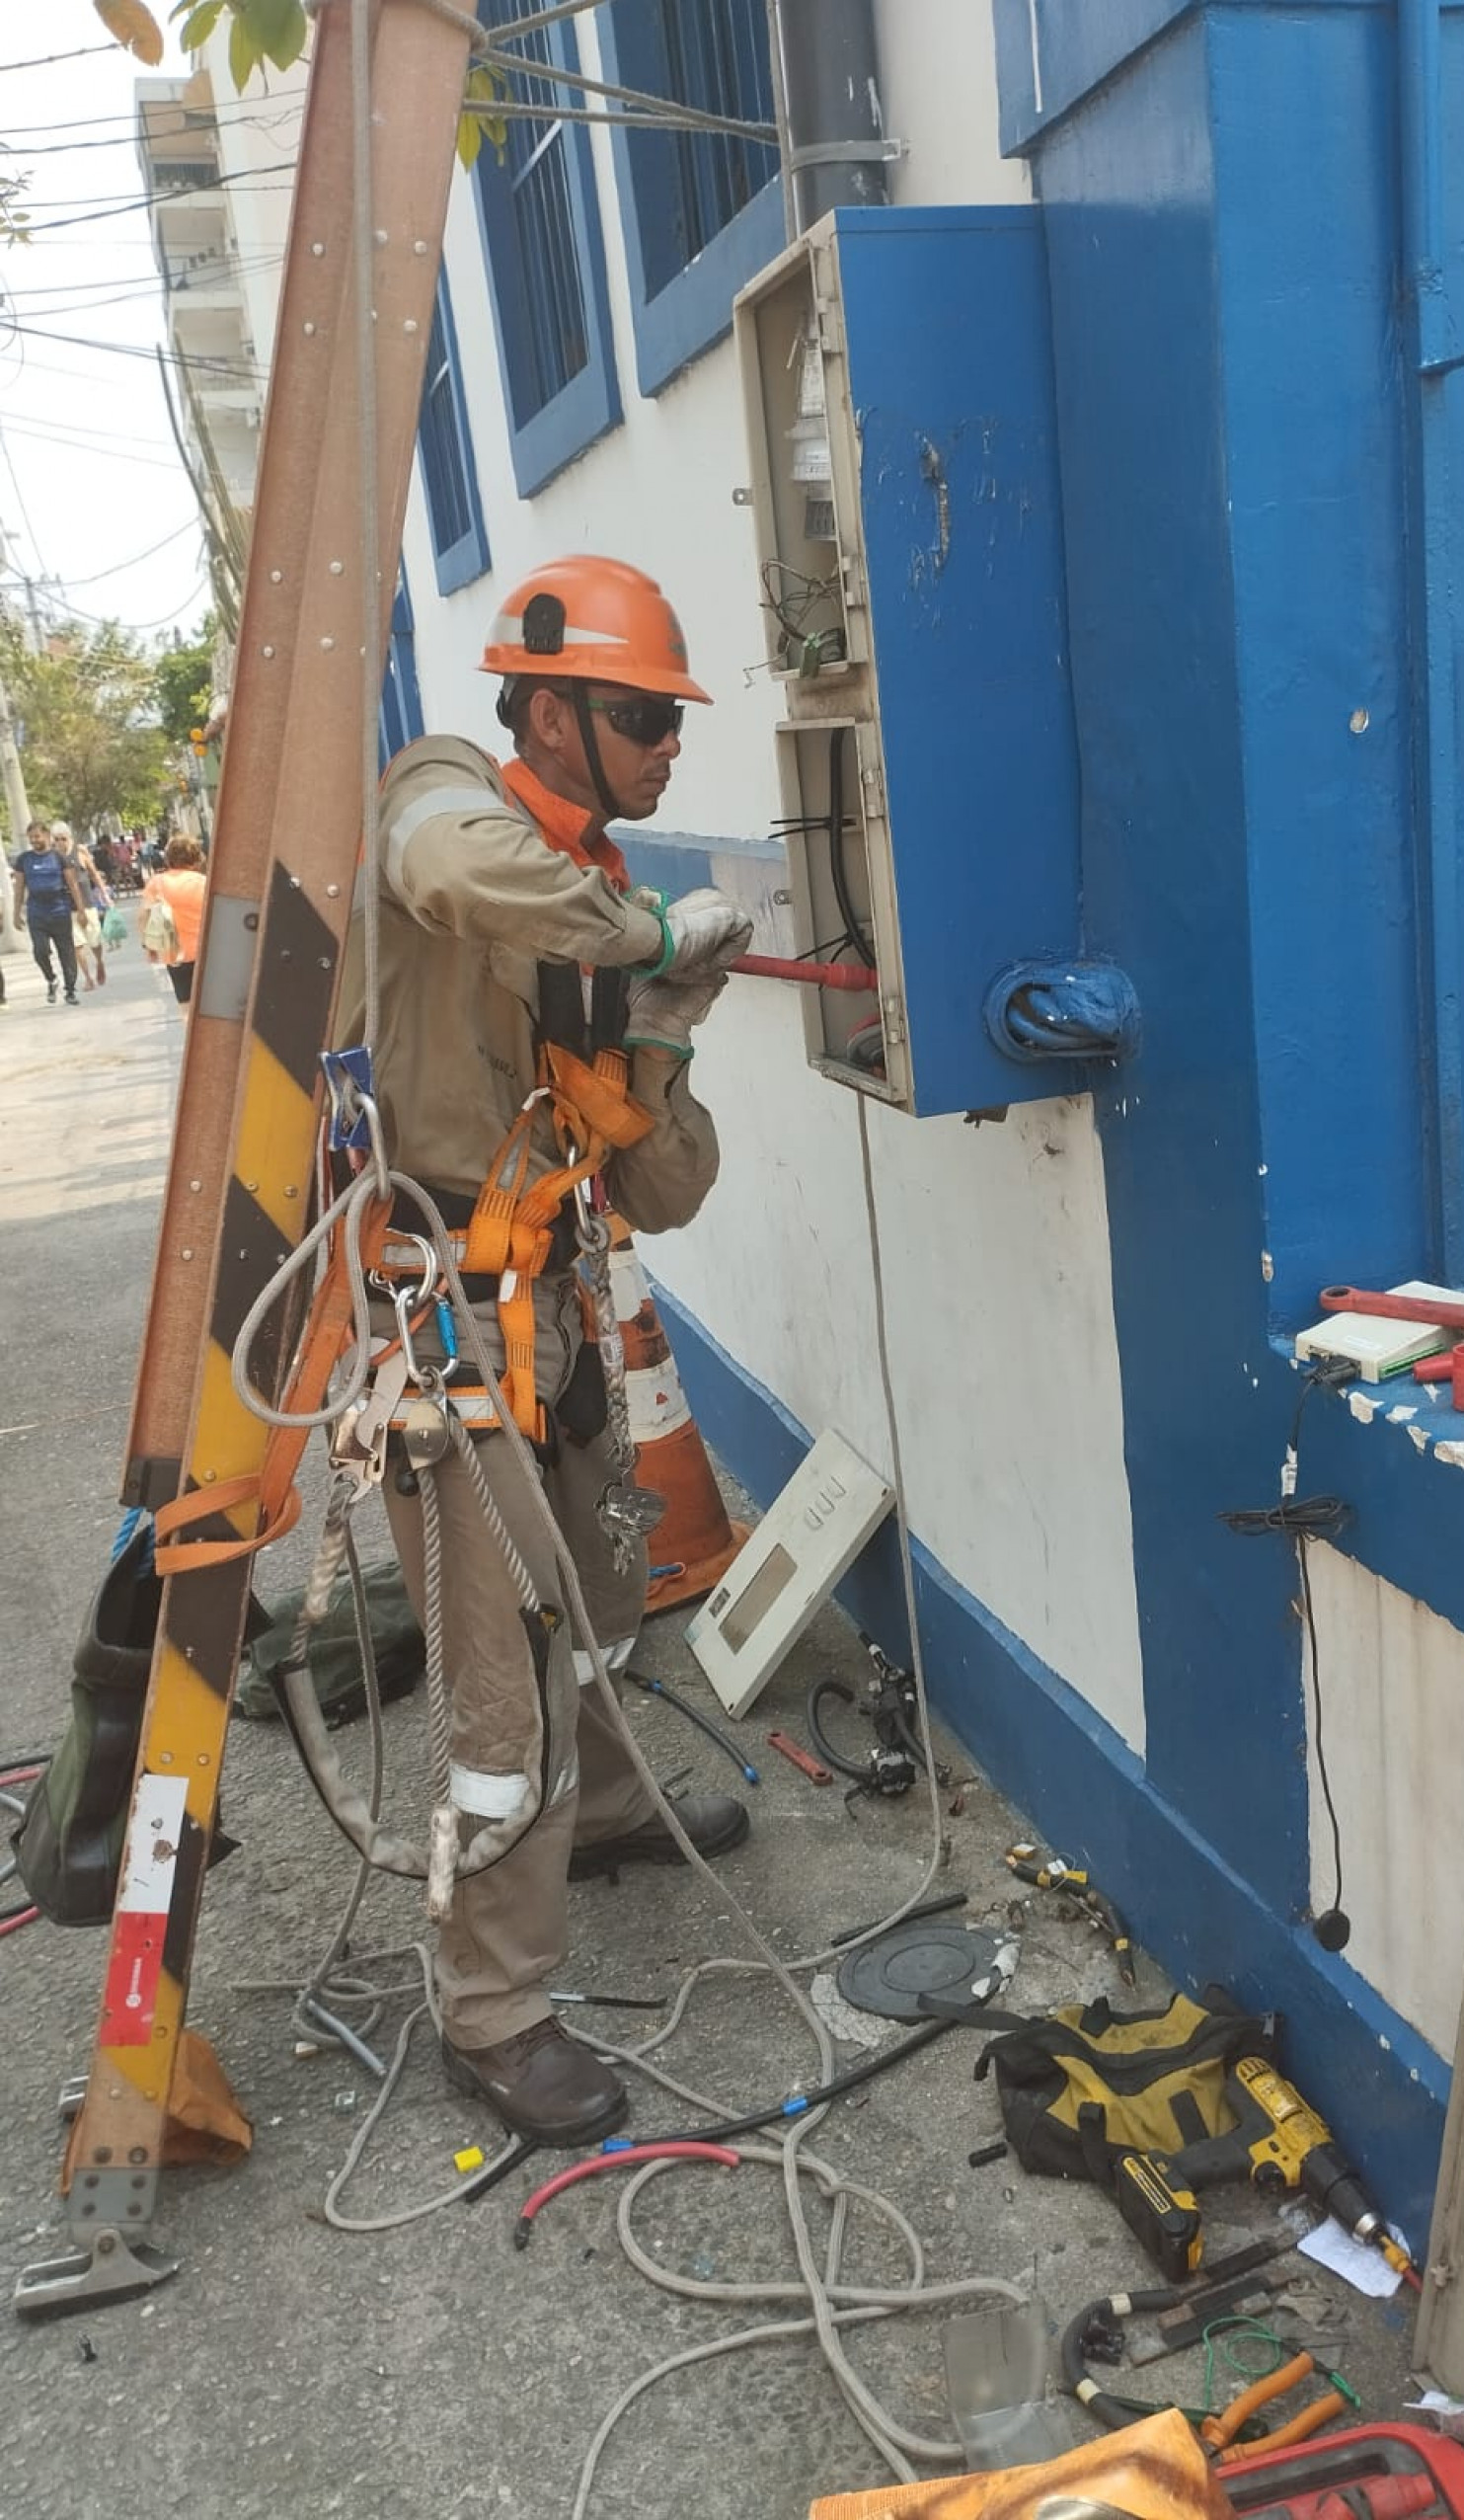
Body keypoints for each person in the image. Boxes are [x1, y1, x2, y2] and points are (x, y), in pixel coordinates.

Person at [335, 557, 754, 2146]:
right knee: (497, 1676)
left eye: (666, 723)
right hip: (431, 1312)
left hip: (550, 1310)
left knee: (588, 1597)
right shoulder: (448, 799)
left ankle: (609, 1813)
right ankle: (492, 2010)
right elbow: (452, 867)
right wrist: (639, 932)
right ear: (551, 708)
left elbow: (664, 1185)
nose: (663, 749)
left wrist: (662, 1025)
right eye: (643, 719)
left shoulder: (600, 906)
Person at [12, 817, 86, 1004]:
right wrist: (15, 914)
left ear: (46, 835)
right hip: (37, 913)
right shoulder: (24, 860)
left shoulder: (58, 857)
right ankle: (51, 979)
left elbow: (73, 884)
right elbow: (19, 888)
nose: (34, 840)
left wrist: (81, 910)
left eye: (37, 836)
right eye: (31, 838)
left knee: (66, 952)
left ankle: (70, 990)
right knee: (40, 951)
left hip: (60, 910)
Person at [141, 833, 208, 1003]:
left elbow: (144, 916)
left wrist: (149, 945)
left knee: (186, 1005)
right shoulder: (204, 882)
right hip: (207, 951)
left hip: (175, 953)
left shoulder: (157, 883)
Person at [53, 825, 108, 990]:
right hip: (66, 908)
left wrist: (104, 893)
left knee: (94, 941)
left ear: (70, 838)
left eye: (64, 838)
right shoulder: (53, 858)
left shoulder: (80, 853)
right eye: (56, 839)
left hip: (87, 903)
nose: (60, 843)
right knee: (77, 945)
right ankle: (88, 978)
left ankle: (99, 962)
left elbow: (93, 873)